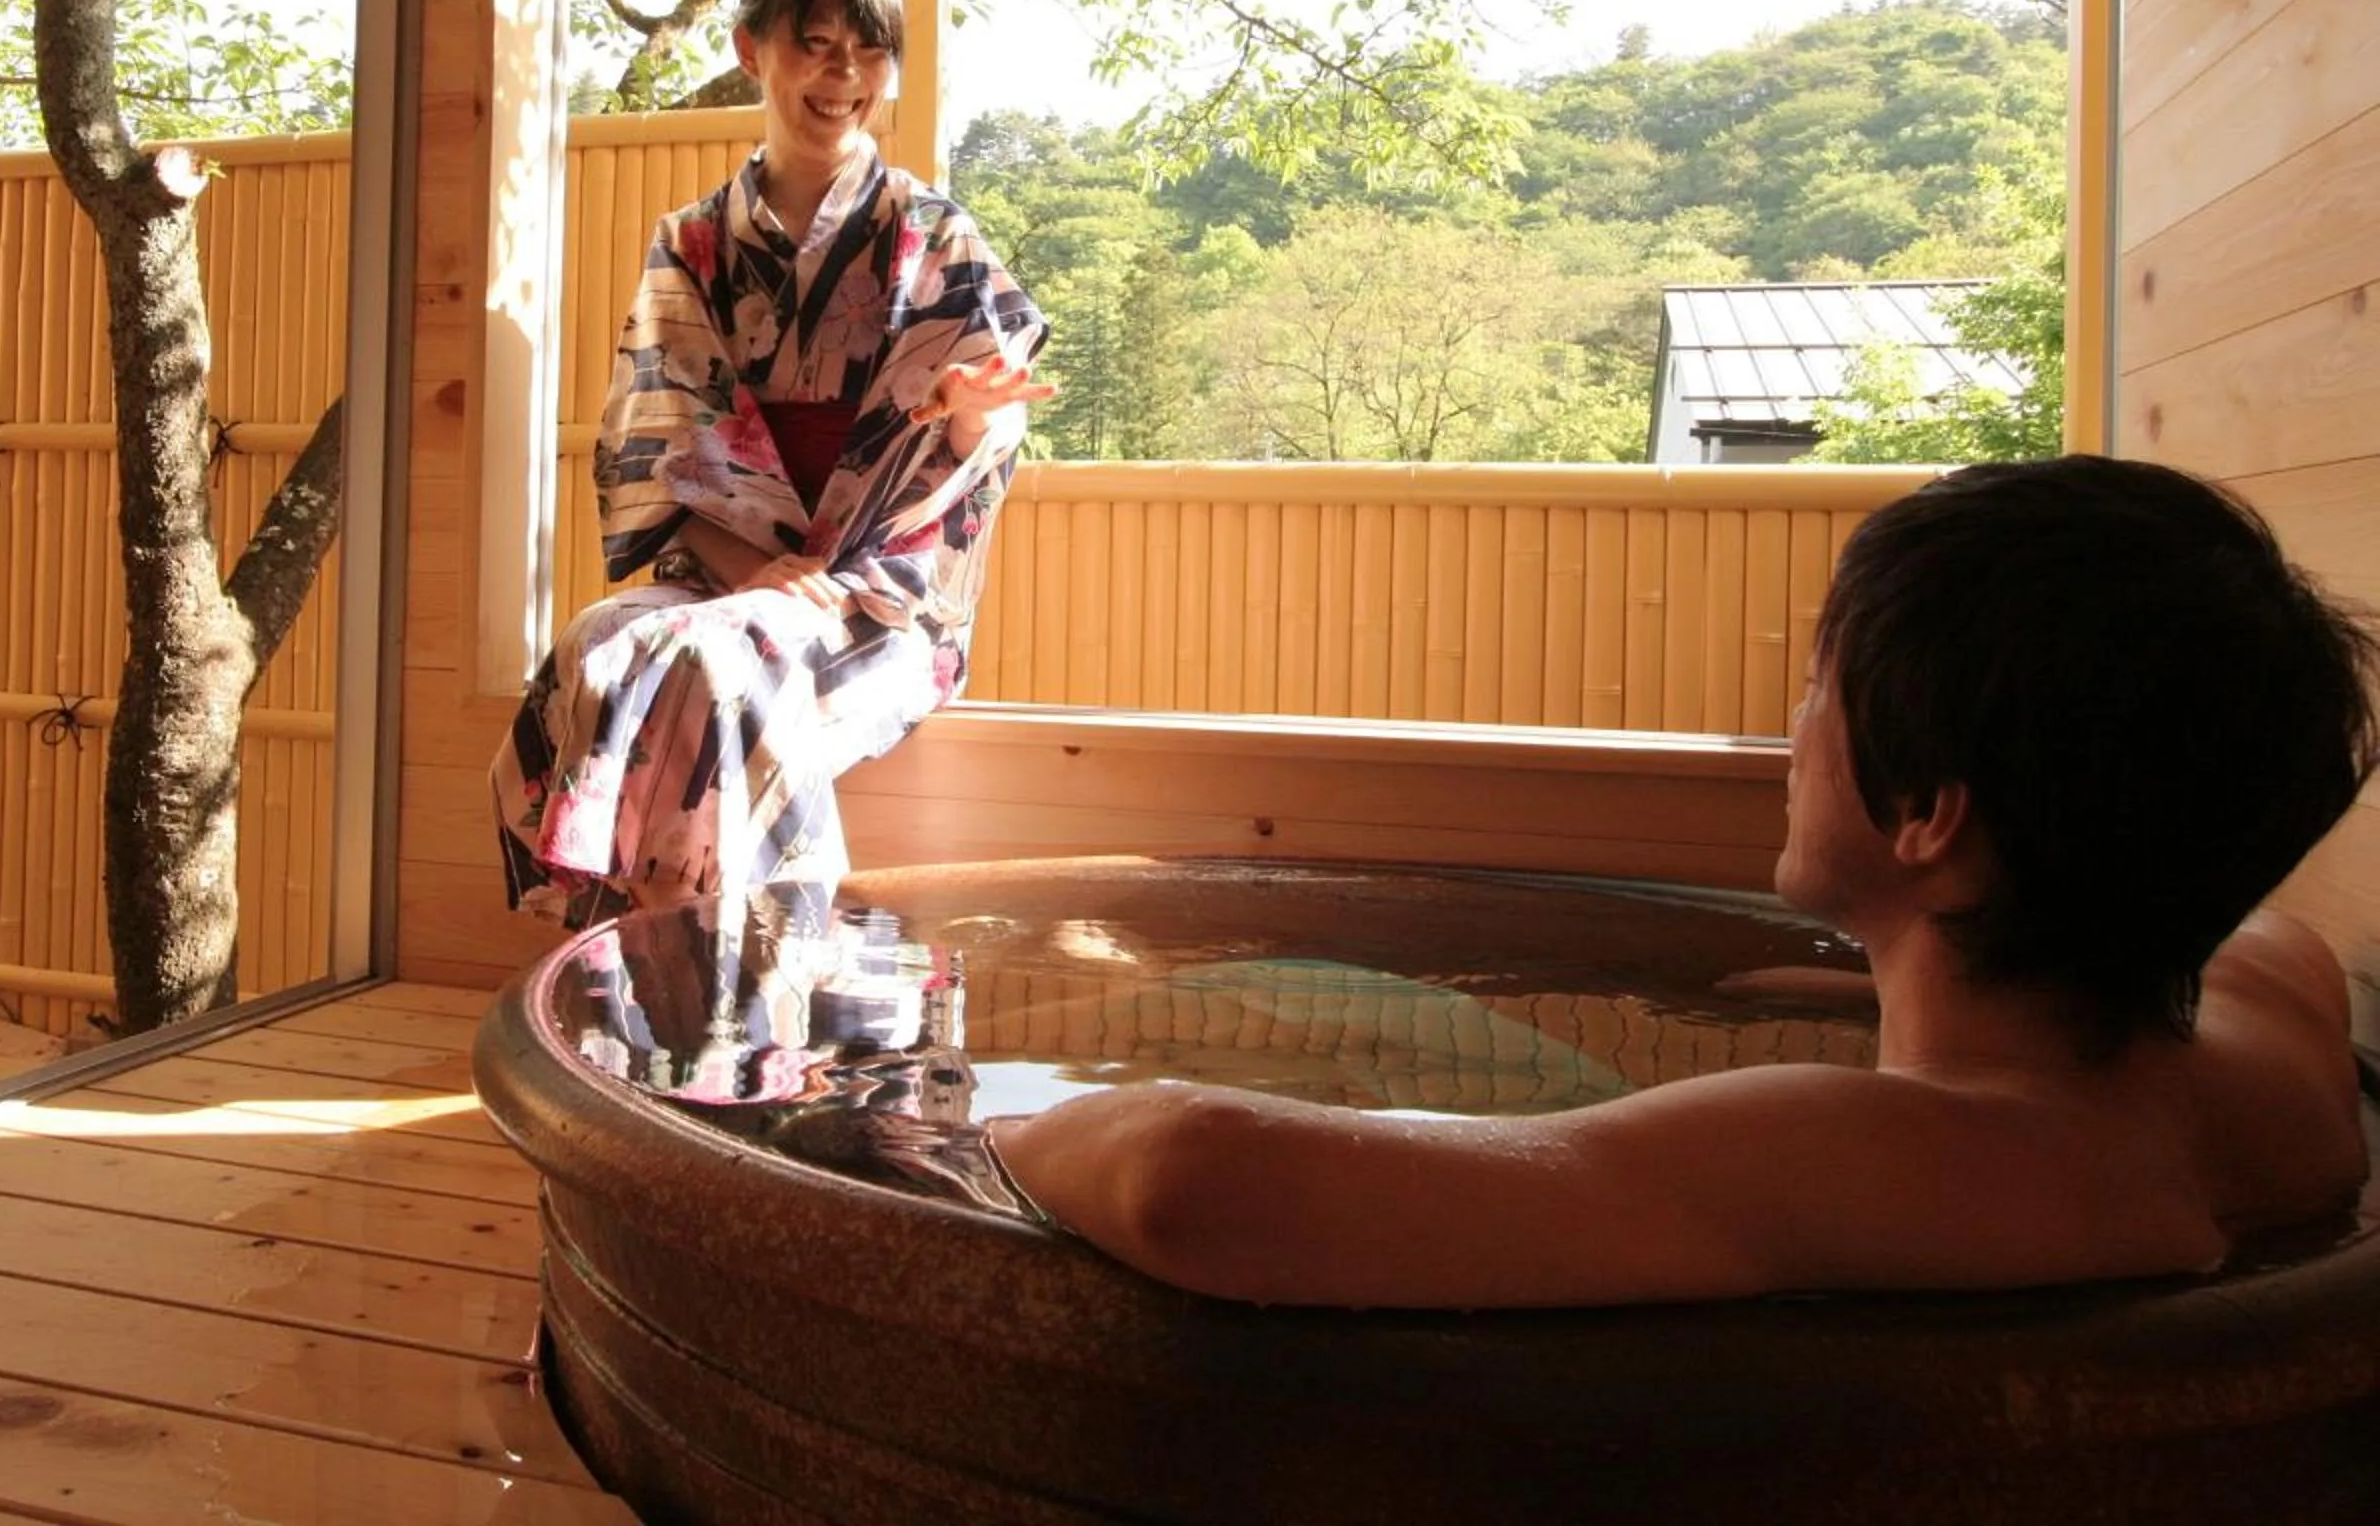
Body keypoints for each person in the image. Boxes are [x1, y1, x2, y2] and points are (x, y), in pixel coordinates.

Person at [994, 455, 2376, 1308]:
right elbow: (2246, 914)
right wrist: (1885, 952)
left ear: (1930, 817)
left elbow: (1198, 1179)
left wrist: (980, 1132)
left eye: (1820, 688)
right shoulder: (2282, 1026)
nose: (1793, 731)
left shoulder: (1904, 1155)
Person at [494, 0, 1050, 931]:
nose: (842, 76)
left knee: (714, 660)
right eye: (816, 43)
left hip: (874, 600)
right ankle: (652, 969)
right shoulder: (695, 243)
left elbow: (985, 426)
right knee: (597, 641)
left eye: (868, 51)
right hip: (726, 574)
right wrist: (750, 568)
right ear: (755, 49)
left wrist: (969, 420)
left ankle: (756, 982)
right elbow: (653, 446)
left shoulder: (932, 236)